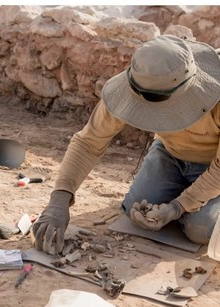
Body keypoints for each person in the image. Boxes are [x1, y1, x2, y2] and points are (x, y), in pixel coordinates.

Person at [32, 35, 220, 252]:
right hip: (170, 154)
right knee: (137, 210)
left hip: (213, 165)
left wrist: (177, 208)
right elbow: (88, 142)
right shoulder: (140, 81)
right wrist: (59, 201)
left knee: (199, 229)